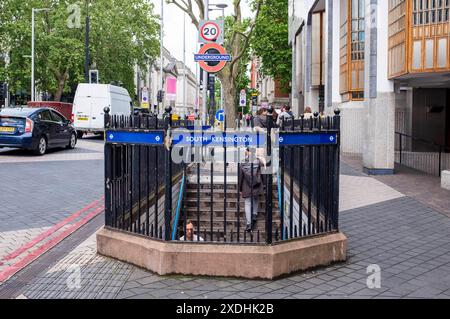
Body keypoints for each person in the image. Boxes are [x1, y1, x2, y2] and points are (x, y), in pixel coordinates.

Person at [239, 149, 264, 232]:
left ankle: (249, 223)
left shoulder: (242, 163)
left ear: (246, 153)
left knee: (247, 203)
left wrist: (240, 188)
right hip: (257, 184)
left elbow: (240, 177)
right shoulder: (259, 162)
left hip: (246, 186)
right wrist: (264, 185)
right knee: (256, 199)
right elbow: (263, 174)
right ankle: (254, 214)